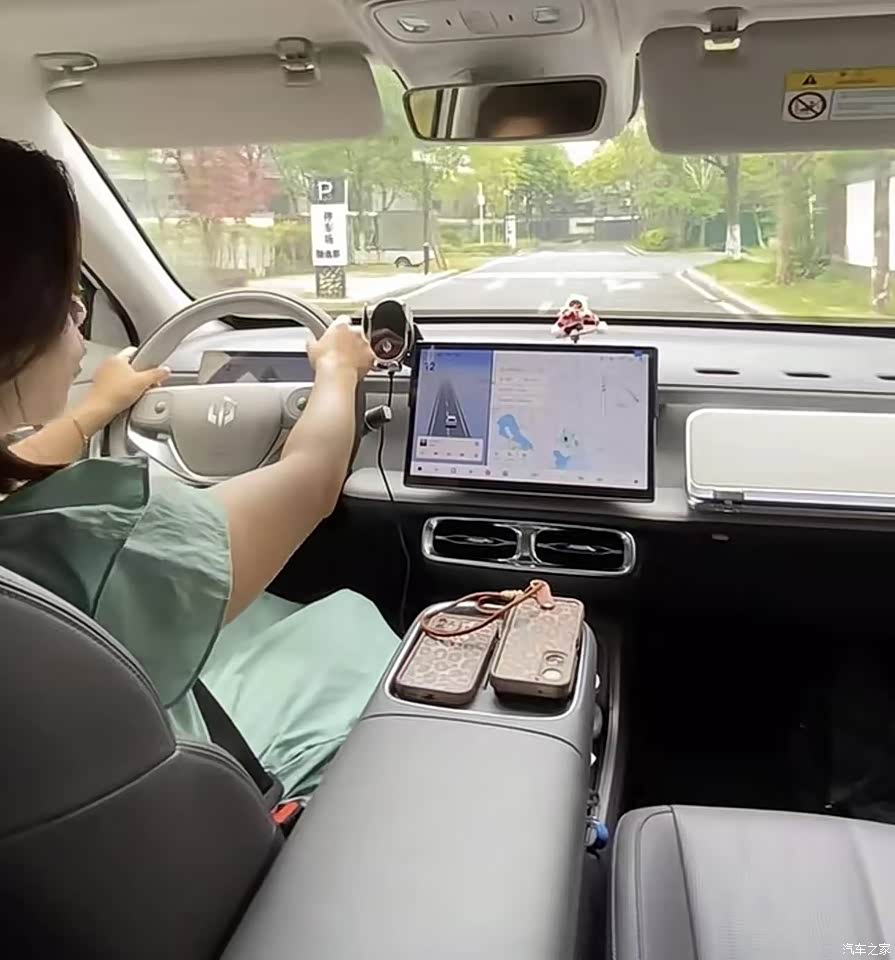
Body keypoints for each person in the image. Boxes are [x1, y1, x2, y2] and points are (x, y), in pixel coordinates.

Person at [0, 139, 401, 798]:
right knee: (350, 618)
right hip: (181, 802)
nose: (79, 314)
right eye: (67, 299)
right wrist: (337, 370)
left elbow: (15, 466)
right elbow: (312, 478)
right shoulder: (98, 548)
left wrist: (96, 409)